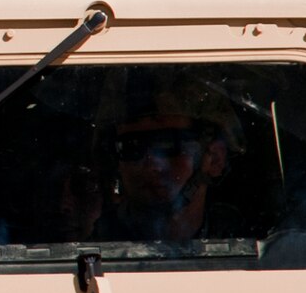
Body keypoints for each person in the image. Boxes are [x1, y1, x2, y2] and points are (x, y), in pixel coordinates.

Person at [102, 72, 245, 242]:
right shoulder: (86, 251)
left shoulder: (254, 249)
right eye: (131, 147)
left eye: (167, 144)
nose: (152, 165)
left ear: (214, 159)